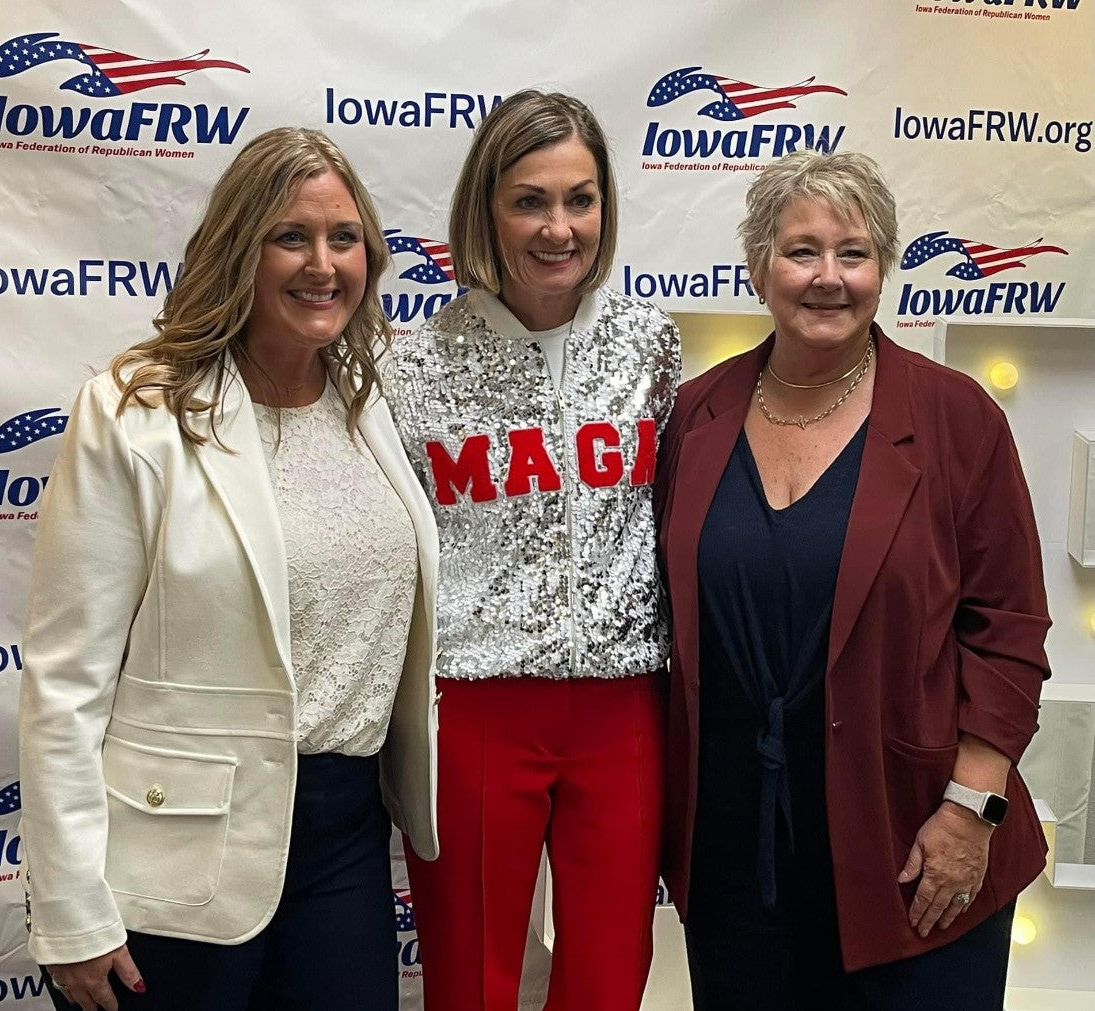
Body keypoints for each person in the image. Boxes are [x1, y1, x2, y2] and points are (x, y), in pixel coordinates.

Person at [18, 127, 439, 1011]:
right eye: (290, 236)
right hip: (174, 855)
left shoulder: (369, 404)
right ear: (237, 248)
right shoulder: (134, 411)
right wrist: (68, 906)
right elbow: (65, 681)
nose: (321, 264)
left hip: (344, 839)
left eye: (343, 237)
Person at [653, 149, 1051, 1009]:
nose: (827, 277)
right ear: (757, 265)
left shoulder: (955, 418)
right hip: (735, 860)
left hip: (916, 847)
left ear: (883, 268)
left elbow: (1009, 631)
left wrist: (969, 810)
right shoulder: (694, 415)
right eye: (801, 251)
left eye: (853, 253)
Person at [387, 89, 681, 1011]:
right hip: (476, 705)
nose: (559, 228)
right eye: (529, 201)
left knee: (608, 976)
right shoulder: (413, 364)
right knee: (471, 977)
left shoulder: (649, 344)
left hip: (623, 705)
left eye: (579, 199)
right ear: (486, 210)